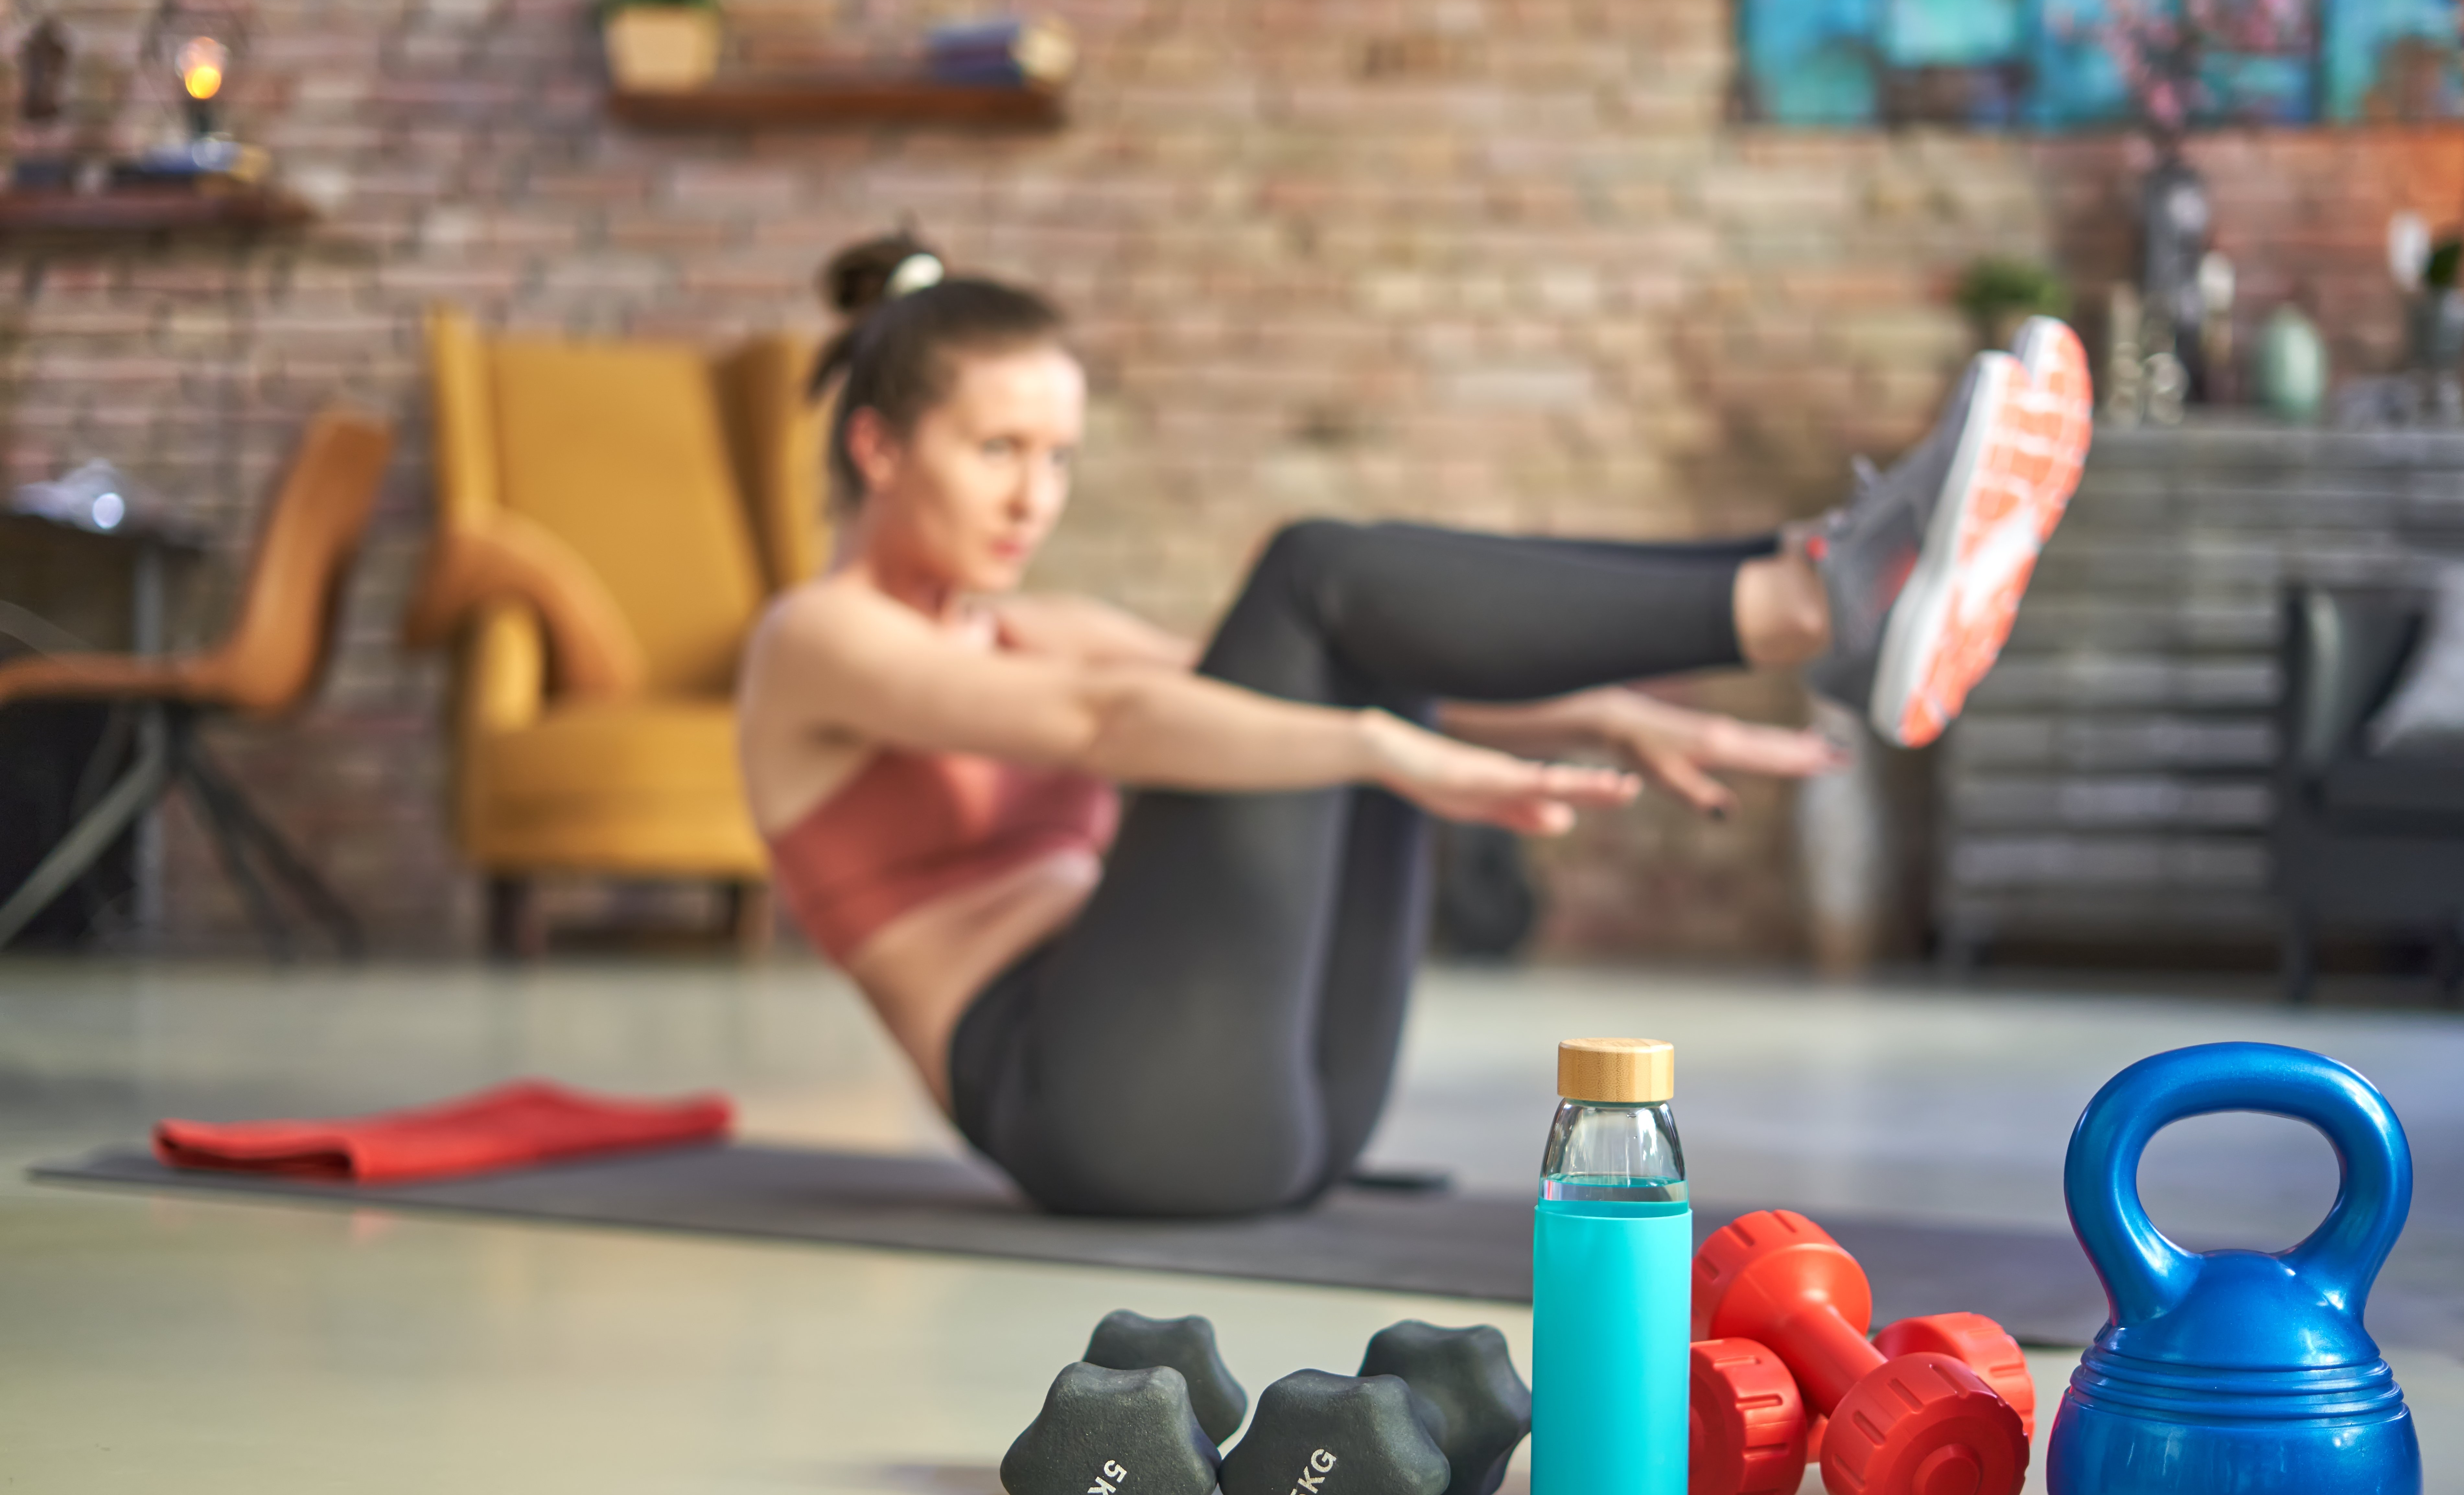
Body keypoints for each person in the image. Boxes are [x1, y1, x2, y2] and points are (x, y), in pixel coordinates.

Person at [738, 233, 2092, 1219]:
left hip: (1275, 1093)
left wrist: (1602, 713)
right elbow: (1117, 719)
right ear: (877, 449)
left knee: (1347, 616)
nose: (1037, 496)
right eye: (997, 451)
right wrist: (1384, 753)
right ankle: (1823, 589)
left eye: (1059, 457)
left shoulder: (1033, 617)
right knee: (1312, 569)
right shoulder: (818, 640)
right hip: (1097, 1109)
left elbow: (1257, 690)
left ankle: (1828, 581)